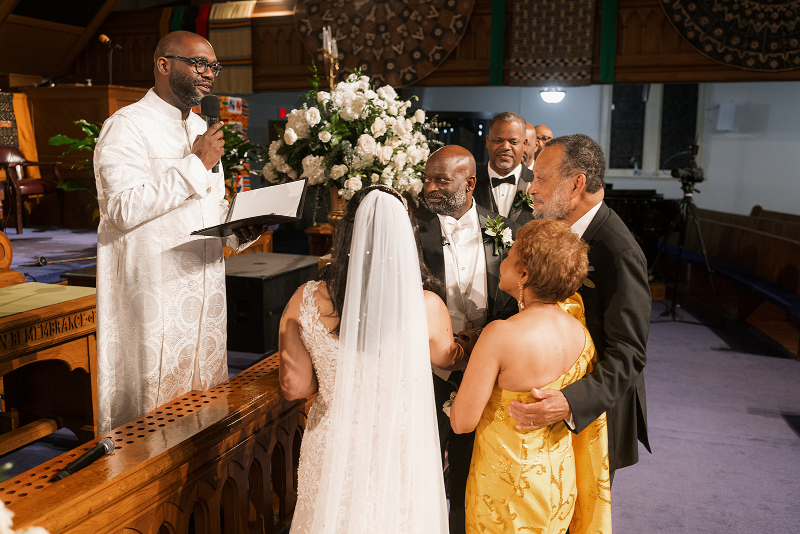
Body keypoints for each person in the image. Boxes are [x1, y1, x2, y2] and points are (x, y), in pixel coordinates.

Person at [94, 31, 264, 433]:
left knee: (203, 403)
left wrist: (240, 227)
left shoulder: (202, 128)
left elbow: (208, 207)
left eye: (214, 67)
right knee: (152, 410)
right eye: (199, 64)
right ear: (163, 64)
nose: (209, 74)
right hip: (155, 290)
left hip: (202, 286)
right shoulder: (126, 126)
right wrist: (195, 164)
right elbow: (120, 210)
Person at [279, 186, 460, 534]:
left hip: (333, 444)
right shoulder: (427, 306)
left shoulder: (305, 299)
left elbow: (294, 387)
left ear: (348, 231)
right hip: (401, 444)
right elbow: (446, 357)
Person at [450, 219, 611, 534]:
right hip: (559, 484)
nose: (502, 260)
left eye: (510, 255)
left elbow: (461, 422)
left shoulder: (501, 334)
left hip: (505, 493)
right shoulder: (580, 332)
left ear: (524, 274)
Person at [509, 133, 651, 481]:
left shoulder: (617, 251)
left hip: (593, 414)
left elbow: (629, 353)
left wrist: (571, 401)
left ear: (576, 184)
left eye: (541, 178)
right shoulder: (555, 232)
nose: (531, 189)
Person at [415, 145, 518, 534]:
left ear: (470, 182)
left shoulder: (503, 229)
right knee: (420, 464)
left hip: (484, 370)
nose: (430, 188)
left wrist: (483, 341)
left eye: (441, 180)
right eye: (427, 179)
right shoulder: (413, 228)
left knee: (471, 469)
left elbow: (513, 300)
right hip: (427, 371)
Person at [474, 112, 534, 225]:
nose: (506, 147)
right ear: (488, 141)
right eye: (498, 141)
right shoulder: (470, 183)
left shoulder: (538, 183)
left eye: (513, 142)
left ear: (525, 144)